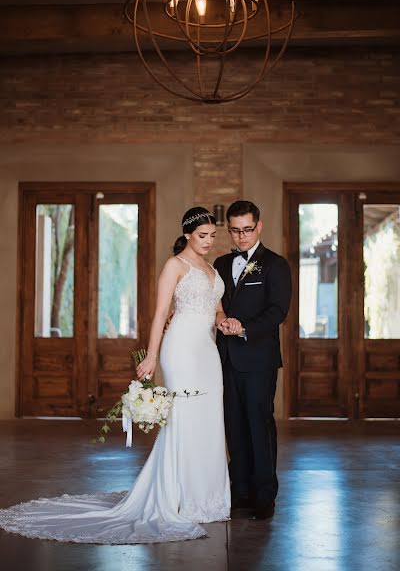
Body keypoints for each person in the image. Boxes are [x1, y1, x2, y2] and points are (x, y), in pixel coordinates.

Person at [0, 207, 232, 544]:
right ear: (186, 236)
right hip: (180, 348)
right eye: (202, 236)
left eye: (212, 235)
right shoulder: (175, 266)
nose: (209, 241)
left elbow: (217, 309)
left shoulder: (211, 269)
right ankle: (179, 498)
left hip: (208, 351)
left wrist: (224, 321)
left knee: (209, 418)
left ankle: (208, 499)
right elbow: (158, 315)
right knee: (183, 418)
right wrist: (152, 356)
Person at [214, 200, 292, 520]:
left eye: (247, 229)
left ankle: (264, 495)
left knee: (259, 424)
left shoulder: (275, 264)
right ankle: (240, 490)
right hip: (225, 357)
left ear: (259, 227)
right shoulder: (219, 263)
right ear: (229, 229)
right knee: (233, 425)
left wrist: (243, 327)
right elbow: (212, 304)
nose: (242, 236)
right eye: (235, 230)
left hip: (258, 358)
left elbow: (278, 311)